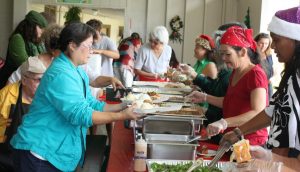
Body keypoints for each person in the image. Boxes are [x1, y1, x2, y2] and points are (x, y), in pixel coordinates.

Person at [10, 23, 138, 172]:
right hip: (40, 153)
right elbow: (81, 114)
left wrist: (123, 105)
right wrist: (122, 116)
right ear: (72, 46)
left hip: (53, 150)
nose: (92, 51)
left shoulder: (76, 70)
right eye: (89, 45)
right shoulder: (61, 74)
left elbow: (90, 103)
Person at [221, 6, 300, 171]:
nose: (273, 47)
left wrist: (272, 165)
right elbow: (272, 111)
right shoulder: (293, 76)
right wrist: (238, 132)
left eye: (277, 40)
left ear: (295, 39)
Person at [188, 26, 269, 146]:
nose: (224, 59)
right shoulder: (235, 72)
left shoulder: (255, 74)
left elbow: (257, 112)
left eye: (227, 54)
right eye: (222, 54)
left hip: (250, 140)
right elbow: (231, 101)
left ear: (242, 52)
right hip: (232, 137)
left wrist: (224, 122)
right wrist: (205, 97)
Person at [179, 22, 246, 143]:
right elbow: (226, 100)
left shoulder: (234, 71)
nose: (221, 56)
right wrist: (204, 99)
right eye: (220, 51)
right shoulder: (231, 71)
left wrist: (207, 111)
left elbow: (219, 96)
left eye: (225, 52)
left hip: (233, 134)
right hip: (222, 131)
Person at [0, 56, 46, 171]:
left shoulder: (46, 97)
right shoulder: (6, 95)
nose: (43, 84)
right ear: (24, 80)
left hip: (32, 154)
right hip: (5, 153)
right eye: (38, 80)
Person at [0, 10, 48, 88]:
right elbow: (26, 64)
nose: (42, 31)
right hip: (11, 84)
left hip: (24, 83)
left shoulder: (35, 41)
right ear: (31, 26)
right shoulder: (17, 38)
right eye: (40, 27)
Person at [255, 33, 274, 101]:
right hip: (258, 87)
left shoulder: (269, 55)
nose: (264, 46)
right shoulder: (253, 56)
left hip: (268, 86)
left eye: (266, 43)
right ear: (256, 42)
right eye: (261, 43)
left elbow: (271, 69)